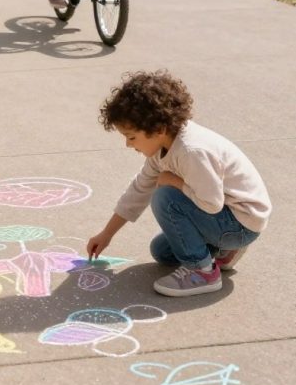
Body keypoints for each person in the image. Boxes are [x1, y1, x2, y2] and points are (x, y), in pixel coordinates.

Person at [87, 70, 271, 298]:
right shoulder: (162, 147)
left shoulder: (192, 151)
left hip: (240, 223)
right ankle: (225, 251)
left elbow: (211, 204)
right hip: (227, 218)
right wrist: (106, 234)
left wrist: (173, 181)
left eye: (132, 137)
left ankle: (202, 272)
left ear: (158, 129)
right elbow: (138, 190)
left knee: (165, 198)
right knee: (162, 252)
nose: (127, 144)